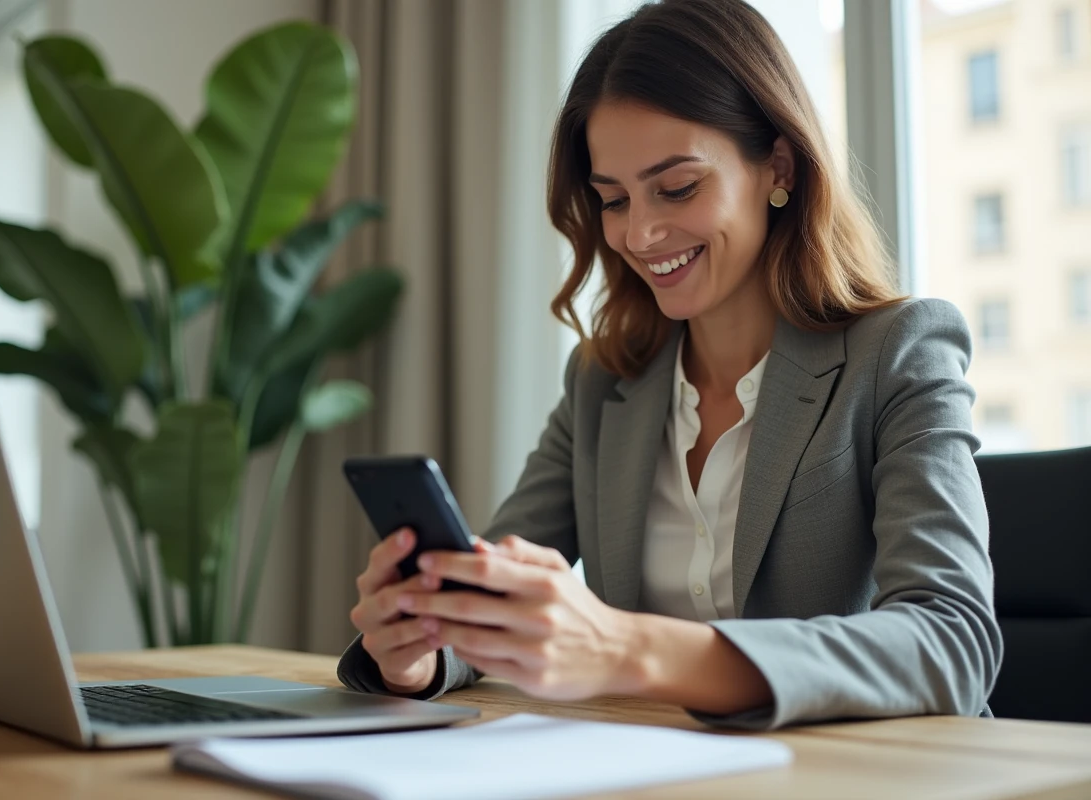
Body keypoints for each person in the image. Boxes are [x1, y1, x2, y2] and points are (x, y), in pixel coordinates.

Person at [337, 0, 1002, 730]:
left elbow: (953, 641)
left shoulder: (900, 351)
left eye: (677, 187)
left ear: (776, 165)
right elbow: (503, 597)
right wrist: (423, 649)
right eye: (613, 199)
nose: (641, 232)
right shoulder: (605, 382)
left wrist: (632, 650)